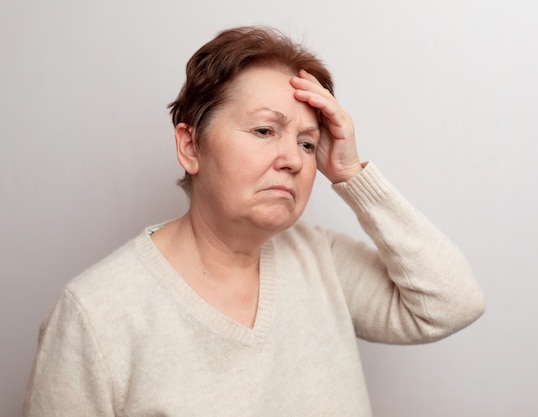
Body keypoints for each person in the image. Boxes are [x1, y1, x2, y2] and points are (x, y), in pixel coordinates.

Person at [23, 26, 485, 416]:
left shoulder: (321, 261)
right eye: (265, 130)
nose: (293, 159)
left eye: (307, 143)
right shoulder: (96, 313)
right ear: (190, 146)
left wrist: (350, 174)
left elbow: (452, 303)